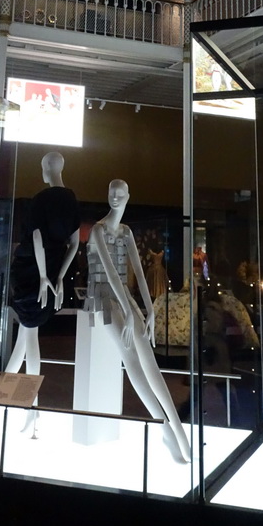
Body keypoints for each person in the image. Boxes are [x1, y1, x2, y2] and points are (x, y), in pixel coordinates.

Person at [85, 179, 190, 462]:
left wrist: (150, 308)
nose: (115, 198)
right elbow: (107, 272)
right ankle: (165, 428)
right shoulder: (97, 230)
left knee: (148, 357)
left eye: (120, 194)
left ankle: (178, 428)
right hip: (102, 297)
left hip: (123, 297)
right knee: (130, 354)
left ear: (128, 196)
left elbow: (140, 274)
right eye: (111, 193)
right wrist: (131, 312)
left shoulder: (127, 231)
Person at [6, 152, 81, 377]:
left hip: (32, 272)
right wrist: (58, 276)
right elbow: (75, 244)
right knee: (25, 335)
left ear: (47, 167)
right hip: (50, 271)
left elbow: (37, 237)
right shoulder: (71, 199)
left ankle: (31, 401)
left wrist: (42, 276)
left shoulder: (41, 198)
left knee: (29, 336)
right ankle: (0, 397)